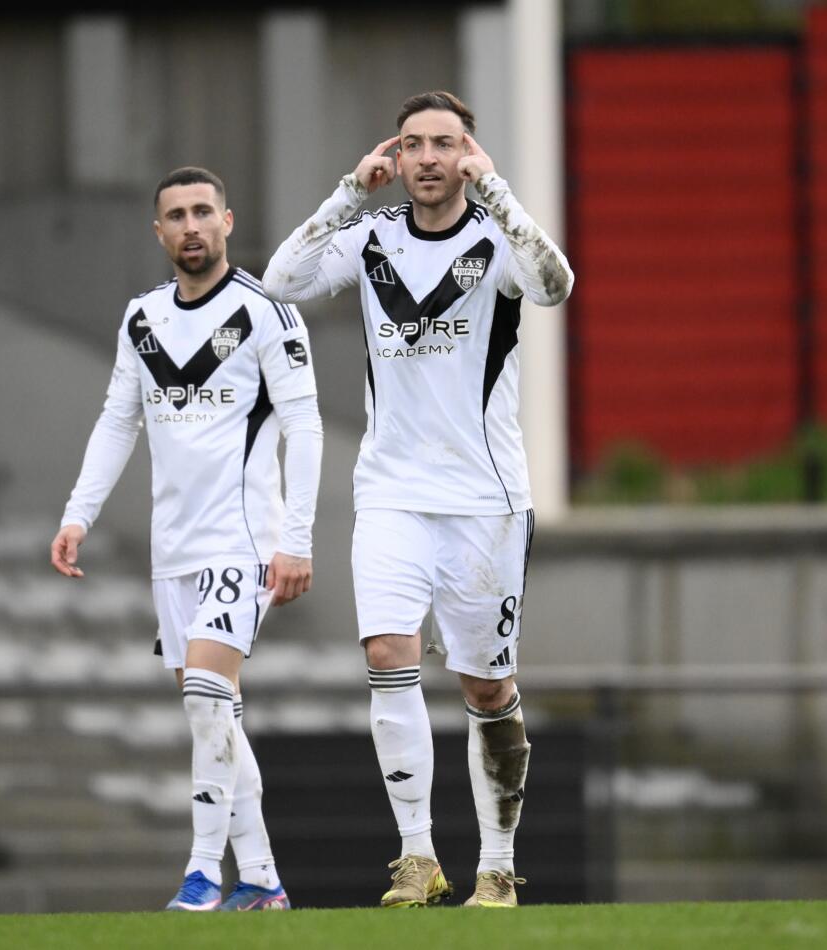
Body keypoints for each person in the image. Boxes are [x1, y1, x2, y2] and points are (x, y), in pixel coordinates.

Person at [263, 91, 573, 909]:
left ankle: (498, 867)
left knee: (485, 690)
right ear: (394, 159)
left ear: (467, 154)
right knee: (386, 655)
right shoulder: (371, 238)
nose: (427, 157)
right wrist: (347, 192)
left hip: (485, 499)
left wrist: (501, 193)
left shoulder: (495, 240)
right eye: (411, 144)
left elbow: (555, 286)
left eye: (444, 143)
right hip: (392, 493)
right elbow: (279, 282)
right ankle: (416, 856)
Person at [50, 166, 322, 912]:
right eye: (177, 215)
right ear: (160, 232)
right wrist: (79, 514)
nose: (192, 225)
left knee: (208, 694)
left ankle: (203, 874)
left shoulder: (267, 313)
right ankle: (263, 879)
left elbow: (305, 425)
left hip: (245, 543)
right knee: (216, 714)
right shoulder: (141, 318)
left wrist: (295, 538)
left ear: (228, 222)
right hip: (172, 553)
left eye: (205, 211)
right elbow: (117, 420)